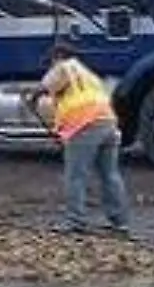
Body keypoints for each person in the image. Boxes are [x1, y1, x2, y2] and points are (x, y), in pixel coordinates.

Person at [26, 43, 130, 235]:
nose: (49, 66)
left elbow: (46, 85)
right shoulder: (89, 75)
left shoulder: (64, 67)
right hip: (108, 123)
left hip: (84, 125)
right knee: (110, 174)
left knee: (75, 175)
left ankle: (75, 221)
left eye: (50, 62)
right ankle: (120, 222)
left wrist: (34, 96)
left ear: (57, 57)